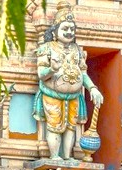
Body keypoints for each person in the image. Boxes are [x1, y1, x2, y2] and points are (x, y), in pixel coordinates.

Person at [34, 1, 104, 160]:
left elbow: (83, 72)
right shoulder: (47, 48)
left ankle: (67, 156)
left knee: (71, 127)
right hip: (52, 93)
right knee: (54, 127)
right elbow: (41, 74)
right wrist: (52, 69)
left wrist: (92, 88)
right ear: (55, 31)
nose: (69, 32)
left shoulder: (77, 50)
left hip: (74, 95)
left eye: (72, 29)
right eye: (65, 28)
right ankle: (54, 156)